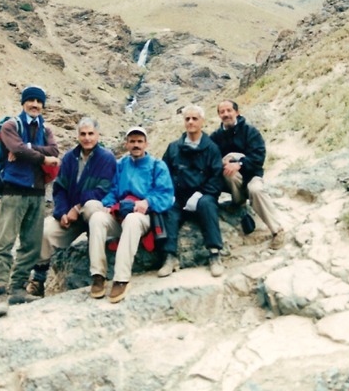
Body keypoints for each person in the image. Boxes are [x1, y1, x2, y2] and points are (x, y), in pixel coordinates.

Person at [0, 85, 60, 318]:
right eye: (30, 101)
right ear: (23, 103)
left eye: (39, 102)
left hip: (37, 194)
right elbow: (15, 147)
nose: (35, 105)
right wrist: (38, 155)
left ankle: (17, 288)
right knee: (5, 243)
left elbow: (53, 150)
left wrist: (28, 149)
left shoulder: (45, 129)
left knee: (30, 245)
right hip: (14, 192)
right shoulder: (11, 126)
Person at [25, 117, 117, 298]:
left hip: (93, 210)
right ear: (78, 136)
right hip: (72, 215)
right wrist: (62, 213)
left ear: (97, 135)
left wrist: (77, 207)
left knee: (91, 206)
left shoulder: (107, 158)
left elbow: (103, 190)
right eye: (83, 134)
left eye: (91, 133)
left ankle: (99, 273)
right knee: (45, 231)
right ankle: (38, 280)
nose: (87, 138)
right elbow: (59, 189)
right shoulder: (69, 158)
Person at [87, 126, 174, 303]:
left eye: (139, 141)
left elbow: (166, 194)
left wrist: (147, 202)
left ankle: (121, 278)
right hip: (120, 213)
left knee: (133, 220)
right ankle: (98, 275)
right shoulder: (120, 166)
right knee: (96, 218)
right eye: (132, 141)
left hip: (142, 216)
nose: (136, 145)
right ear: (126, 144)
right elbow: (113, 190)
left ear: (146, 144)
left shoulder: (158, 165)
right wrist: (108, 204)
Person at [158, 105, 225, 278]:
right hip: (179, 196)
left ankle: (214, 254)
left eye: (195, 118)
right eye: (187, 119)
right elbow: (164, 173)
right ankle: (169, 256)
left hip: (203, 195)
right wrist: (169, 193)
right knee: (169, 210)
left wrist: (201, 194)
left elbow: (216, 177)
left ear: (202, 121)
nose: (190, 122)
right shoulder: (173, 147)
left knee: (207, 205)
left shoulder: (211, 148)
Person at [210, 99, 286, 250]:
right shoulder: (215, 137)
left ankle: (277, 230)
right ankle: (238, 202)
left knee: (256, 190)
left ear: (236, 112)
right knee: (229, 173)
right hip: (231, 179)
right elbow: (210, 160)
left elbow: (259, 157)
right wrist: (222, 164)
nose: (226, 114)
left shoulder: (250, 132)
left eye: (229, 110)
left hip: (252, 175)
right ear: (219, 115)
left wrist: (240, 164)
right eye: (222, 112)